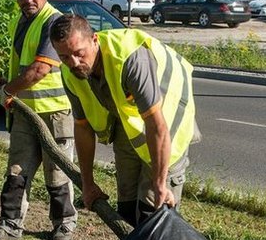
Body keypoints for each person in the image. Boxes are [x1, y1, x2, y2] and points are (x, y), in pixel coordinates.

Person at [49, 13, 197, 227]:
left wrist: (159, 182)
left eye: (79, 53)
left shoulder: (131, 58)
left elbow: (157, 125)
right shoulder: (70, 72)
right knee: (126, 209)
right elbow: (82, 128)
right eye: (64, 57)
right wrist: (88, 185)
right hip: (130, 128)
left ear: (94, 40)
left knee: (154, 213)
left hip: (167, 125)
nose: (74, 63)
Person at [0, 0, 77, 240]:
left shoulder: (53, 22)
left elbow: (40, 70)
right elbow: (21, 66)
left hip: (55, 112)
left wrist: (7, 90)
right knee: (16, 170)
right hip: (25, 111)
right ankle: (10, 225)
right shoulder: (19, 21)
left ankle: (64, 225)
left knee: (57, 173)